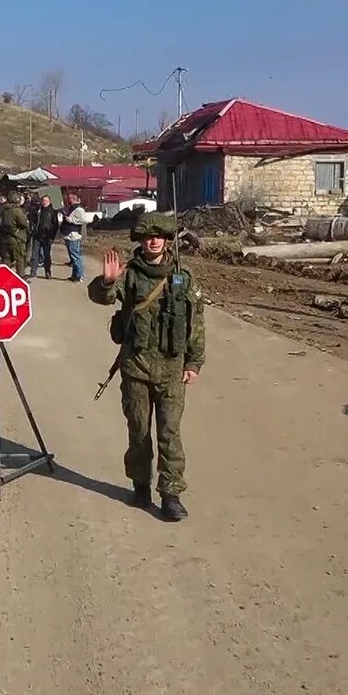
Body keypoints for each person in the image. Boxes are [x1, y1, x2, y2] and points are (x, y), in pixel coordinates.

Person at [88, 211, 205, 522]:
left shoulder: (184, 277)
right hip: (136, 368)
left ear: (167, 240)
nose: (153, 241)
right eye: (147, 237)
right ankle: (140, 484)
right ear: (140, 240)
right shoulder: (130, 275)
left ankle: (171, 494)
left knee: (170, 433)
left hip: (171, 369)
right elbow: (100, 297)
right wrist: (106, 282)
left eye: (159, 236)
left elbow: (196, 323)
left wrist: (194, 362)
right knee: (139, 430)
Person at [0, 191, 30, 274]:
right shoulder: (16, 210)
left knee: (6, 260)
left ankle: (7, 279)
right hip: (16, 238)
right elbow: (24, 224)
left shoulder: (3, 209)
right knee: (20, 260)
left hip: (5, 238)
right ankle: (21, 278)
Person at [29, 195, 58, 280]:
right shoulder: (38, 210)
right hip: (37, 236)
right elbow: (33, 220)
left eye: (46, 200)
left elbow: (55, 225)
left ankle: (47, 272)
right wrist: (33, 228)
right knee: (34, 255)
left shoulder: (52, 212)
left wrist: (52, 237)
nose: (44, 202)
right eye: (43, 200)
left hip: (47, 237)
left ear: (49, 201)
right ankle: (33, 272)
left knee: (47, 256)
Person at [60, 193, 87, 283]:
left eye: (70, 198)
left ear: (74, 199)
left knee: (76, 256)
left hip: (74, 235)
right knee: (73, 256)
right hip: (68, 234)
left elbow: (82, 220)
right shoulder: (72, 208)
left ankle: (80, 275)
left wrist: (70, 219)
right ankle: (74, 275)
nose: (68, 200)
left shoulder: (79, 209)